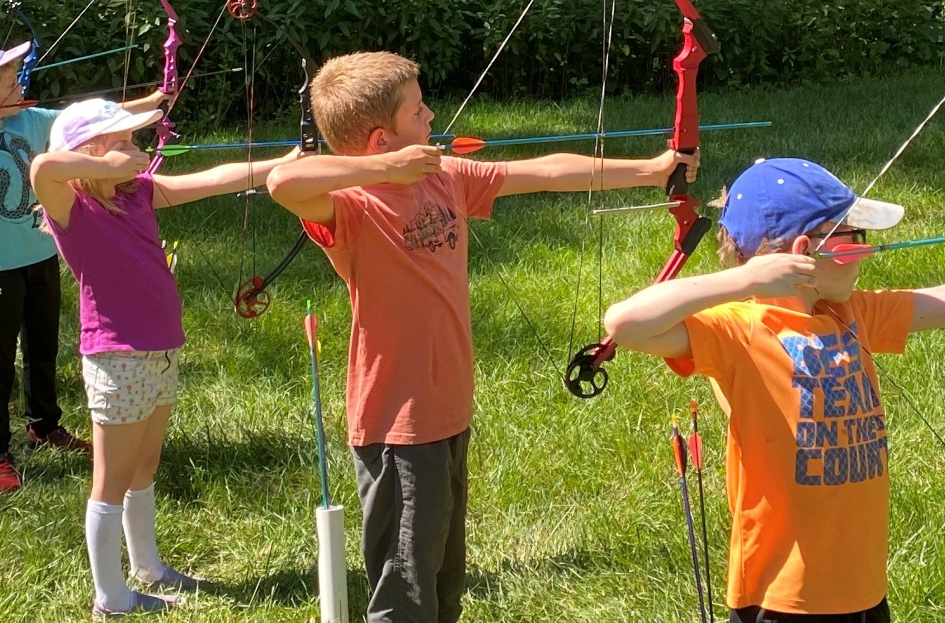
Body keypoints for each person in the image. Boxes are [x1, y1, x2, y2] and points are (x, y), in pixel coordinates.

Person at [599, 158, 945, 623]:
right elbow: (624, 322)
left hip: (860, 585)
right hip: (784, 594)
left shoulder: (851, 313)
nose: (868, 251)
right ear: (805, 253)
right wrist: (744, 279)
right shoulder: (736, 329)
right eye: (856, 239)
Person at [265, 51, 700, 622]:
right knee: (404, 597)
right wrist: (386, 173)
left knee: (444, 588)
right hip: (397, 425)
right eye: (417, 112)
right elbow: (282, 180)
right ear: (379, 141)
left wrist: (650, 168)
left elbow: (544, 171)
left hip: (447, 413)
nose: (431, 116)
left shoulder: (444, 178)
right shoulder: (350, 207)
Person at [32, 98, 304, 617]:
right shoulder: (70, 206)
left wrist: (283, 163)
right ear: (89, 152)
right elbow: (44, 166)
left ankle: (149, 568)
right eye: (124, 144)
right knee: (111, 478)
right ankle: (110, 598)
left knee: (145, 465)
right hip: (117, 356)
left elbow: (216, 178)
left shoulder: (138, 193)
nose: (135, 153)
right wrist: (103, 164)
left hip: (160, 348)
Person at [0, 46, 170, 491]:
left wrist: (153, 101)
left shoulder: (31, 119)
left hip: (41, 253)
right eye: (7, 80)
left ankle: (44, 425)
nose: (19, 82)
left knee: (42, 348)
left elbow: (92, 116)